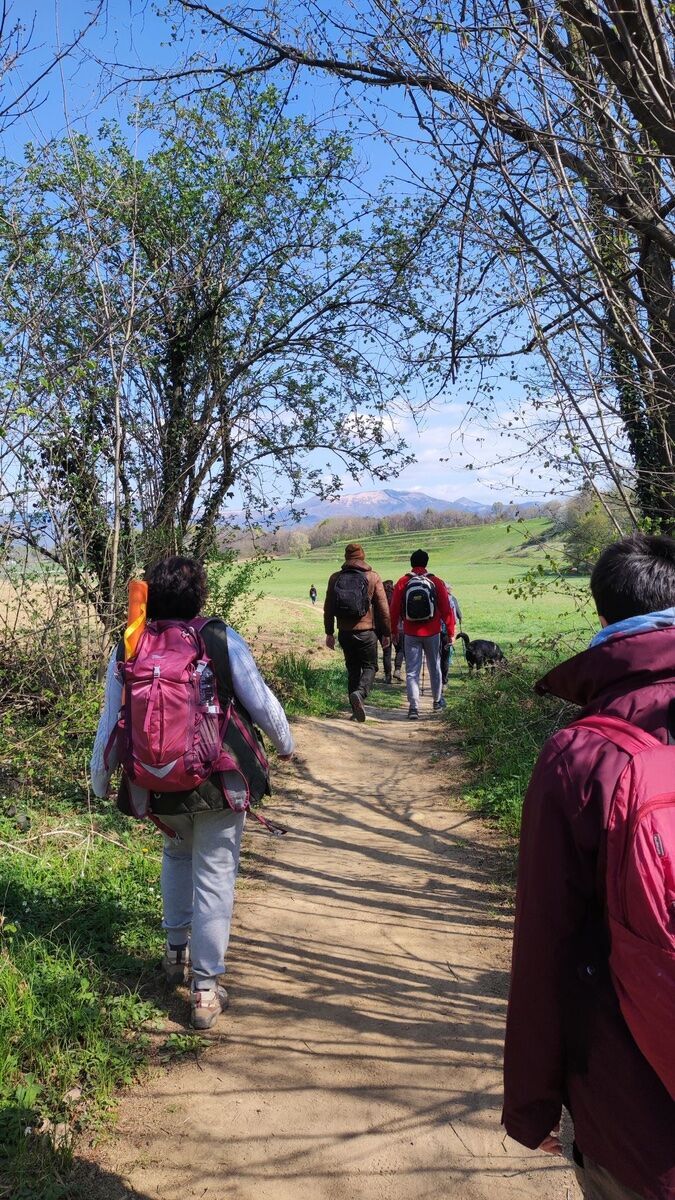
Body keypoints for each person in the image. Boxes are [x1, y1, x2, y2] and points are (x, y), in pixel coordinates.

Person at [503, 533, 675, 1200]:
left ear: (603, 619)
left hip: (631, 1110)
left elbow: (545, 945)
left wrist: (532, 1102)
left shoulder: (578, 758)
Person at [90, 556, 294, 1031]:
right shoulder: (217, 637)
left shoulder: (131, 644)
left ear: (151, 598)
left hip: (157, 783)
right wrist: (286, 743)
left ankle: (174, 953)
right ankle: (204, 990)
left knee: (177, 856)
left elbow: (110, 720)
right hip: (216, 780)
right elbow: (259, 699)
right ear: (199, 597)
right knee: (215, 875)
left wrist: (101, 778)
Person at [323, 542, 391, 721]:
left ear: (346, 557)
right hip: (367, 632)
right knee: (370, 666)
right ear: (363, 556)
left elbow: (328, 608)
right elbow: (383, 608)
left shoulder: (335, 578)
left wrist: (329, 633)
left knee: (352, 669)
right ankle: (360, 694)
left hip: (345, 632)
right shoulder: (372, 577)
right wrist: (387, 633)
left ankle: (355, 712)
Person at [389, 549, 454, 719]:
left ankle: (413, 708)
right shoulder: (436, 581)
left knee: (412, 671)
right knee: (435, 667)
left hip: (410, 632)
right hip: (433, 632)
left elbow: (394, 609)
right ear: (426, 563)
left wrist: (393, 630)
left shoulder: (403, 582)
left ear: (411, 562)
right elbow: (447, 610)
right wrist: (451, 632)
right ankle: (437, 702)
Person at [440, 586, 462, 686]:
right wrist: (452, 633)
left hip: (434, 631)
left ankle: (436, 679)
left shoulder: (435, 597)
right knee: (445, 655)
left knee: (435, 656)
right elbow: (453, 615)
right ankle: (444, 680)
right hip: (447, 630)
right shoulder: (451, 599)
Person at [381, 580, 395, 683]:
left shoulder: (380, 595)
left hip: (379, 626)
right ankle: (392, 673)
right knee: (391, 651)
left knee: (385, 651)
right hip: (392, 625)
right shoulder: (394, 595)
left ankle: (387, 675)